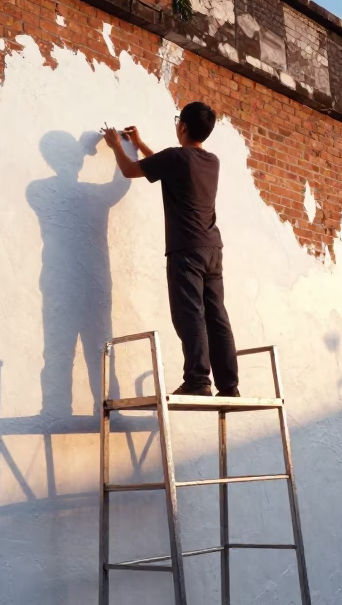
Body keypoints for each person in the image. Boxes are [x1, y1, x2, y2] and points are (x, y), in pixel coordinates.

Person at [102, 102, 240, 397]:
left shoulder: (176, 157)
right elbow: (167, 167)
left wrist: (116, 145)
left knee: (190, 313)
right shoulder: (211, 161)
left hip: (186, 249)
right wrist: (140, 144)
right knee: (216, 316)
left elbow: (129, 170)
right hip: (212, 248)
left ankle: (198, 381)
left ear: (183, 126)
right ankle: (229, 385)